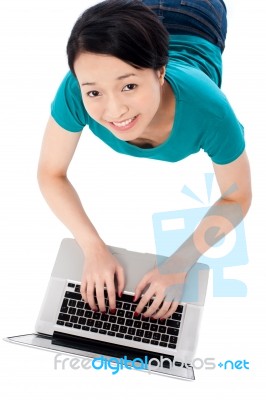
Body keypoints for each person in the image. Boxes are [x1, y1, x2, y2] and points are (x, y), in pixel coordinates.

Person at [37, 0, 252, 320]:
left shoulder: (210, 110)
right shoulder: (75, 90)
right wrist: (93, 249)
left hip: (195, 13)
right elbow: (50, 173)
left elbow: (238, 195)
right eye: (95, 93)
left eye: (129, 86)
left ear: (161, 72)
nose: (114, 110)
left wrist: (179, 265)